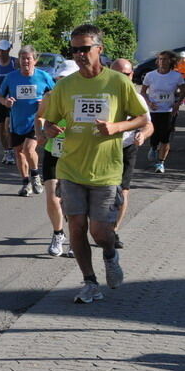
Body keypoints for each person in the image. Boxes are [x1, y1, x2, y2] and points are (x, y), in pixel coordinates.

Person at [42, 24, 148, 303]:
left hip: (106, 170)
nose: (79, 54)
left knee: (100, 233)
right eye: (74, 49)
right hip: (71, 169)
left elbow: (142, 119)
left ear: (99, 50)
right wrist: (49, 130)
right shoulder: (65, 86)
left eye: (85, 48)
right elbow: (49, 121)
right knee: (76, 227)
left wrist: (116, 127)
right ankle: (89, 282)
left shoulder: (118, 82)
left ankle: (110, 256)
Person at [0, 44, 54, 196]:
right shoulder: (11, 77)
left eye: (29, 59)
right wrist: (6, 102)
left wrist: (45, 103)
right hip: (17, 121)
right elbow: (0, 95)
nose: (25, 62)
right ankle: (25, 183)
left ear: (35, 60)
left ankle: (35, 175)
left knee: (29, 149)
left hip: (36, 121)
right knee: (18, 152)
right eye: (23, 59)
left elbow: (55, 95)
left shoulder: (44, 77)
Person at [36, 60, 79, 257]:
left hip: (77, 153)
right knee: (53, 196)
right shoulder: (50, 96)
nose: (63, 81)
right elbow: (40, 117)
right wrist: (42, 134)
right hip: (54, 151)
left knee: (72, 200)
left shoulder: (83, 98)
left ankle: (75, 239)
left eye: (67, 78)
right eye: (60, 78)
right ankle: (58, 233)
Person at [110, 58, 153, 249]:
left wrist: (143, 135)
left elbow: (148, 124)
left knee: (123, 190)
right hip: (103, 148)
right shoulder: (102, 94)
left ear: (132, 75)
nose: (122, 78)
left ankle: (113, 231)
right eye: (117, 74)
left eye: (126, 74)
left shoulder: (138, 98)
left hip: (127, 147)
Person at [141, 50, 185, 173]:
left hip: (168, 110)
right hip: (154, 110)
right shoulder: (150, 75)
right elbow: (143, 91)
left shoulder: (176, 76)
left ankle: (160, 163)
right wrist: (149, 103)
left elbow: (183, 90)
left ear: (171, 61)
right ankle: (154, 147)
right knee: (154, 134)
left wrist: (178, 103)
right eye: (160, 59)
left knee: (165, 137)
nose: (162, 61)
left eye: (165, 59)